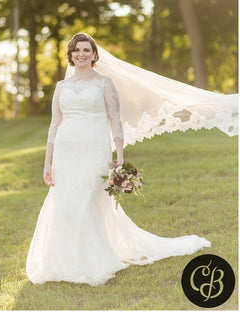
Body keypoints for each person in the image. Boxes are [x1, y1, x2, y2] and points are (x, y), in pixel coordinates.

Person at [26, 33, 218, 286]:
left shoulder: (105, 83)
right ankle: (66, 261)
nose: (81, 54)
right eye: (76, 50)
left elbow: (115, 121)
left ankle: (93, 261)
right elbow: (54, 124)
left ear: (94, 55)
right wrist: (47, 162)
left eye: (86, 50)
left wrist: (120, 158)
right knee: (67, 202)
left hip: (95, 148)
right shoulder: (61, 88)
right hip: (65, 150)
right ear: (70, 55)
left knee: (87, 199)